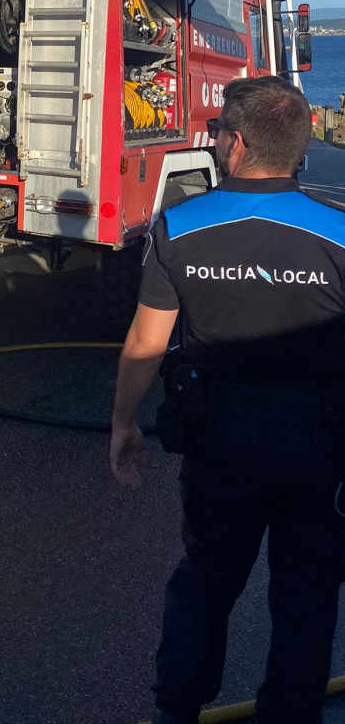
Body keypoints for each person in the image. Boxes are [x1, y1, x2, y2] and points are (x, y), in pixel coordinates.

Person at [110, 75, 345, 724]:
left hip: (222, 442)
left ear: (236, 144)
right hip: (320, 448)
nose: (211, 142)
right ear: (298, 147)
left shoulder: (179, 227)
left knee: (205, 585)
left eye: (215, 133)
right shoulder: (340, 233)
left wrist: (123, 423)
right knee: (306, 598)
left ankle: (177, 710)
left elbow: (147, 340)